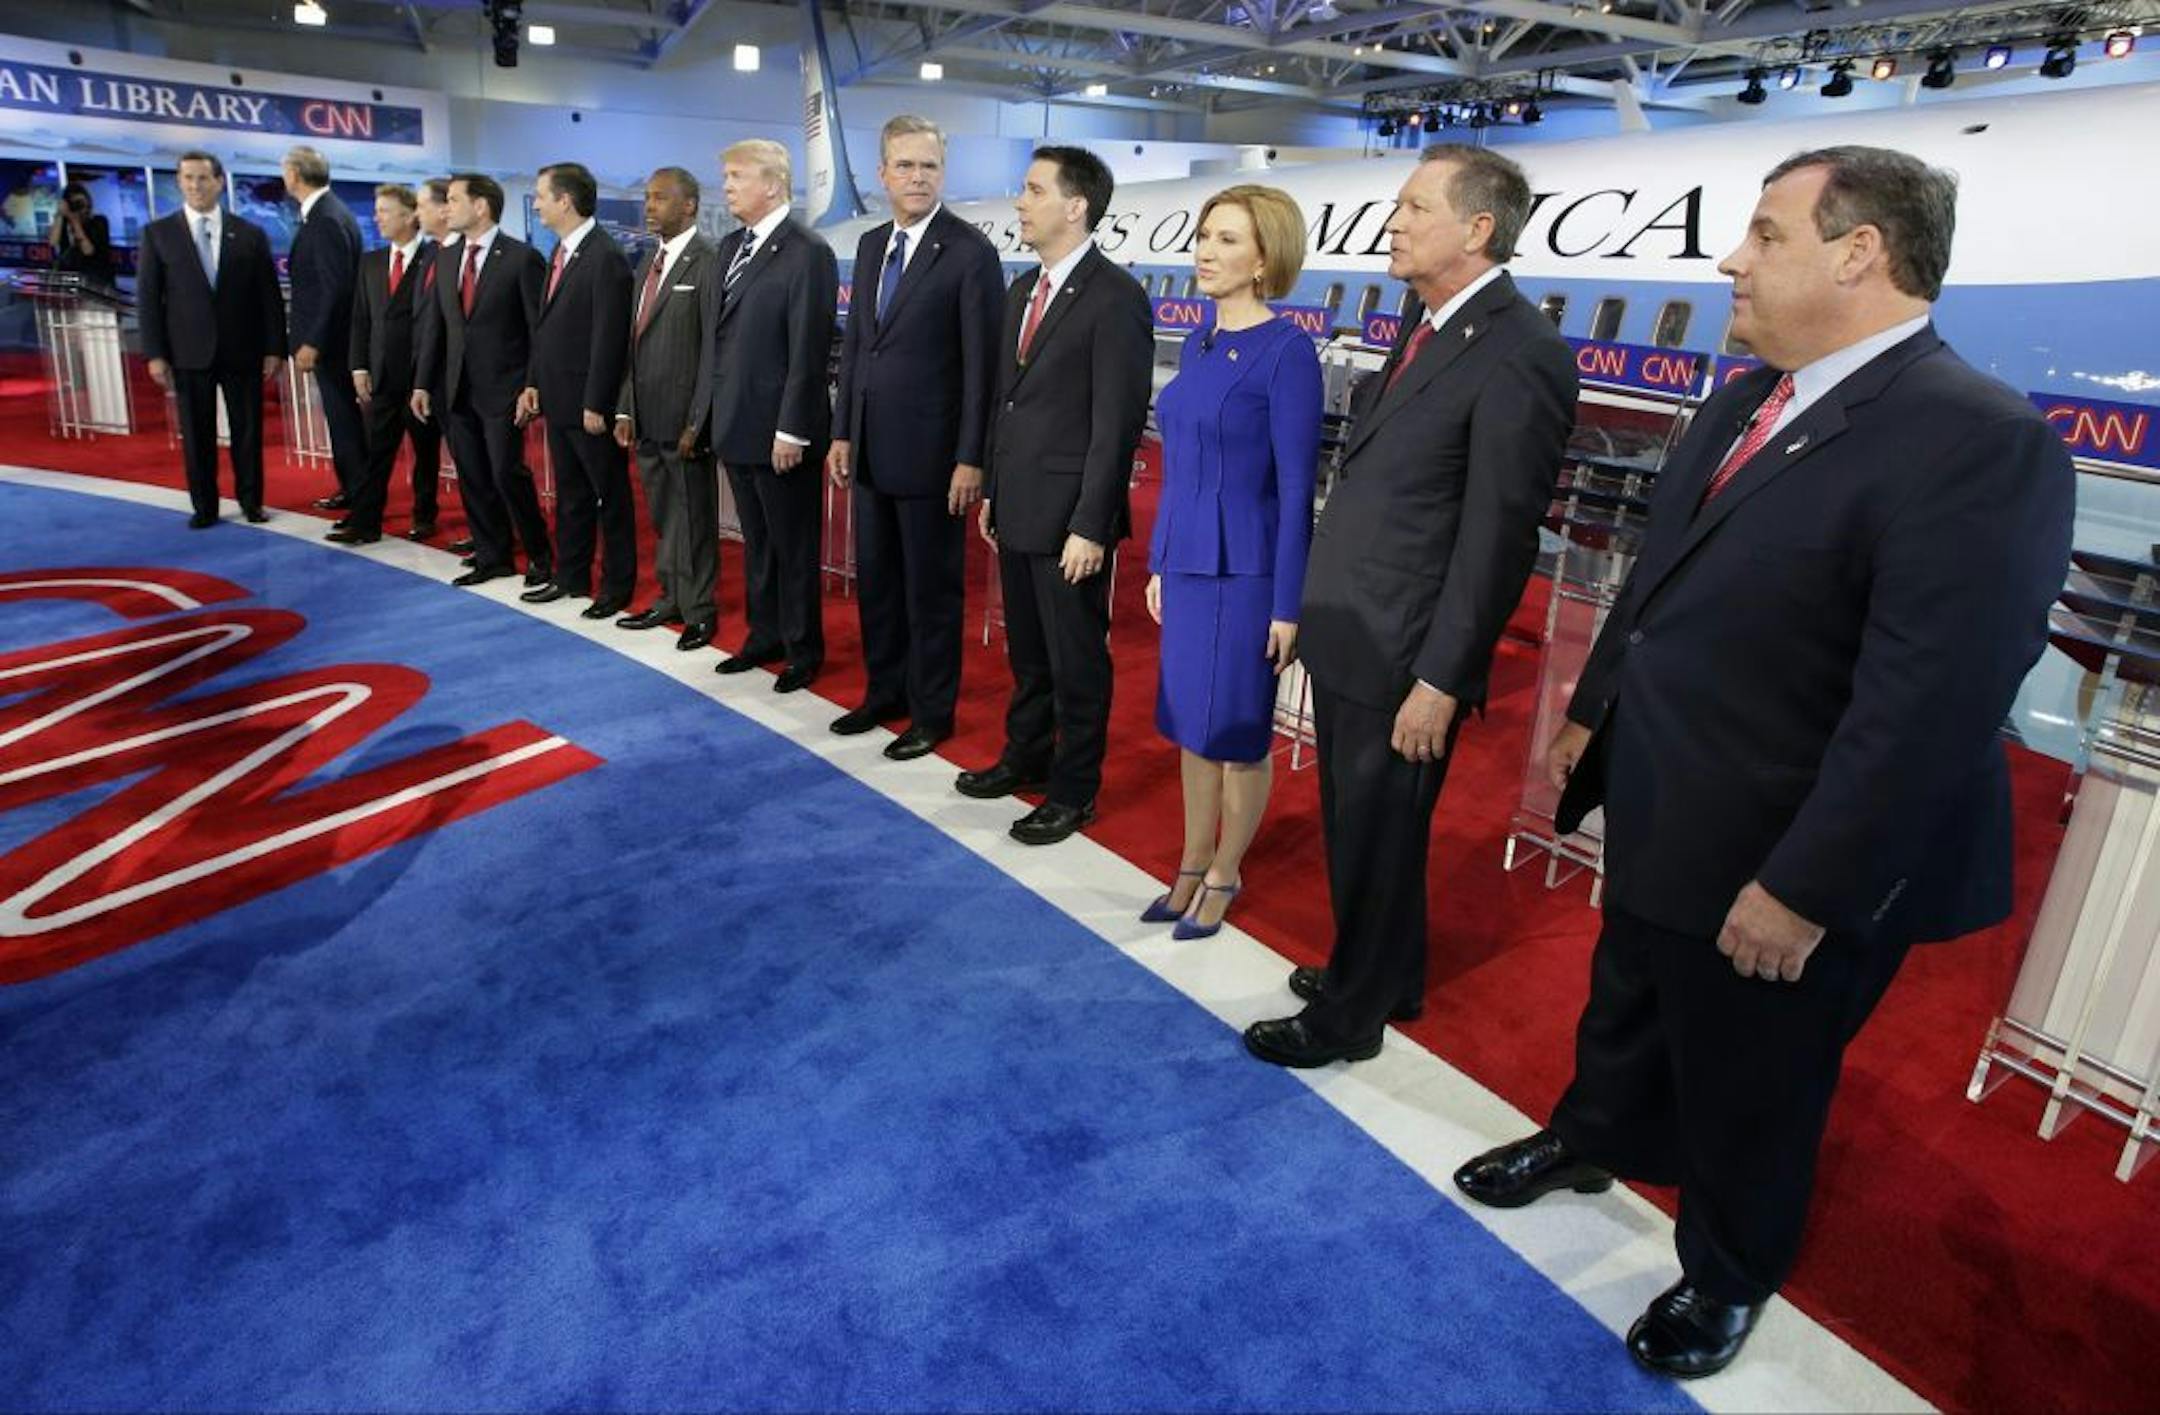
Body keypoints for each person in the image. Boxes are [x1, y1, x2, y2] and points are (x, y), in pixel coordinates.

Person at [1453, 147, 2075, 1380]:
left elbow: (1931, 707)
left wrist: (1807, 886)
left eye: (1767, 234)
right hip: (1669, 791)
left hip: (1790, 841)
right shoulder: (1749, 398)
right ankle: (1595, 1135)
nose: (1732, 260)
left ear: (1860, 253)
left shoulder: (1977, 439)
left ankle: (1728, 1269)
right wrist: (1594, 712)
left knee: (1757, 1075)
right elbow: (1662, 578)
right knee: (1629, 998)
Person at [1243, 144, 1578, 1068]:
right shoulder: (1428, 326)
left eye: (1413, 209)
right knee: (1365, 828)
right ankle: (1390, 975)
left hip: (1407, 652)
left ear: (1478, 229)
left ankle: (1348, 1018)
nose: (1392, 224)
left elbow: (1498, 538)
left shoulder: (1522, 352)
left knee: (1377, 835)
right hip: (1359, 627)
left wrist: (1441, 678)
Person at [954, 147, 1152, 846]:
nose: (1020, 202)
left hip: (1072, 520)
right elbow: (1006, 401)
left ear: (1076, 206)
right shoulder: (1021, 291)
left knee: (1077, 662)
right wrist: (994, 490)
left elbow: (1116, 424)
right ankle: (1026, 755)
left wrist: (1091, 524)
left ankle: (1074, 790)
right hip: (1019, 505)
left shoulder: (1115, 298)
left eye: (1034, 190)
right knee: (1030, 654)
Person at [1140, 184, 1319, 938]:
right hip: (1186, 563)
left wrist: (1287, 604)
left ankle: (1225, 871)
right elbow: (1179, 466)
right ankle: (1191, 861)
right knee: (1191, 724)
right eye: (1204, 236)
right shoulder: (1200, 342)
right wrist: (1159, 559)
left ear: (1265, 260)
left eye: (1227, 239)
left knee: (1237, 731)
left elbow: (1298, 488)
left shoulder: (1288, 351)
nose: (1205, 252)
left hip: (1247, 574)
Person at [827, 115, 1004, 761]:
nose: (918, 177)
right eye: (905, 165)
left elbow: (983, 367)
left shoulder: (969, 253)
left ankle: (931, 713)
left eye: (929, 165)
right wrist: (842, 432)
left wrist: (971, 458)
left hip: (934, 459)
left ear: (942, 173)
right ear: (883, 174)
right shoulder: (873, 244)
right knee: (877, 583)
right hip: (871, 449)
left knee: (931, 592)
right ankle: (885, 693)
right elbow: (858, 347)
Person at [708, 139, 837, 694]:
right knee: (757, 544)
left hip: (782, 431)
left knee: (793, 548)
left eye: (737, 176)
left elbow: (808, 349)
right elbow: (717, 342)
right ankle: (766, 636)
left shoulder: (807, 252)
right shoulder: (730, 247)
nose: (727, 187)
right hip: (736, 423)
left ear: (773, 184)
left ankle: (803, 649)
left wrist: (793, 429)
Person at [413, 173, 553, 590]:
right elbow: (436, 327)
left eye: (454, 200)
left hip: (504, 389)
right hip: (455, 388)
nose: (446, 208)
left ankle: (540, 554)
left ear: (480, 206)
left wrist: (532, 383)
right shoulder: (445, 258)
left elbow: (538, 330)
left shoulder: (521, 258)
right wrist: (422, 384)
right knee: (472, 475)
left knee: (507, 473)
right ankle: (494, 557)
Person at [135, 150, 287, 529]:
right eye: (187, 178)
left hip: (243, 351)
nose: (195, 185)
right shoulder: (158, 234)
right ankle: (205, 507)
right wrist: (155, 353)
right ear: (179, 182)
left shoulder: (250, 234)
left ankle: (252, 502)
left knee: (247, 434)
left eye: (203, 177)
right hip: (188, 353)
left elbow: (268, 297)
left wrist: (274, 348)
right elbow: (148, 298)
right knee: (197, 436)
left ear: (219, 182)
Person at [521, 161, 637, 619]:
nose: (536, 204)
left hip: (589, 404)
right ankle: (571, 577)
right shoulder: (560, 250)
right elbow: (546, 327)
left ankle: (616, 586)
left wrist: (597, 402)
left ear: (565, 200)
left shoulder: (605, 256)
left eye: (541, 196)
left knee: (610, 497)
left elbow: (610, 337)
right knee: (571, 495)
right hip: (557, 396)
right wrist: (533, 382)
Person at [615, 166, 723, 652]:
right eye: (648, 197)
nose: (649, 206)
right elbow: (634, 344)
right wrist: (625, 408)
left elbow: (712, 351)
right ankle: (672, 597)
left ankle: (699, 610)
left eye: (660, 197)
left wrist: (699, 420)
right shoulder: (647, 263)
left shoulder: (708, 262)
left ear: (690, 205)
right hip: (646, 416)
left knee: (693, 518)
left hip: (684, 422)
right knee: (664, 516)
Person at [333, 184, 437, 546]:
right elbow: (360, 319)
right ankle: (365, 522)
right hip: (381, 376)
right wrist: (358, 366)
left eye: (384, 211)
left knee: (426, 452)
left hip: (421, 376)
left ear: (409, 216)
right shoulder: (371, 262)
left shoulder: (436, 258)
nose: (376, 218)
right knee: (376, 452)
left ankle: (424, 515)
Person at [281, 145, 367, 512]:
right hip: (333, 339)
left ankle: (361, 495)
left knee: (344, 419)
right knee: (341, 419)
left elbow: (335, 288)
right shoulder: (327, 213)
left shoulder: (326, 218)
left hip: (332, 342)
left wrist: (313, 341)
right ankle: (354, 489)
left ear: (294, 175)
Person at [47, 182, 115, 287]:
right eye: (76, 204)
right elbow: (53, 242)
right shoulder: (65, 224)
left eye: (82, 203)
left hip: (96, 281)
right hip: (71, 280)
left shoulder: (99, 222)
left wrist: (75, 221)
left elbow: (88, 251)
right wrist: (60, 215)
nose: (82, 208)